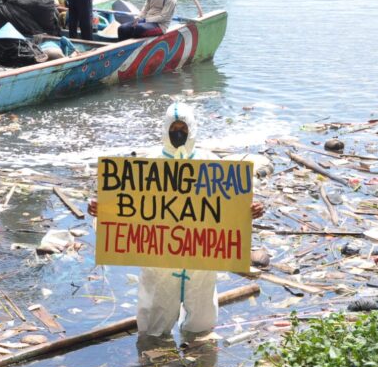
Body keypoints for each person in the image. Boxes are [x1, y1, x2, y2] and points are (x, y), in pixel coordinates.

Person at [89, 102, 265, 337]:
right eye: (174, 127)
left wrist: (249, 211)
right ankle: (152, 355)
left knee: (201, 318)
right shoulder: (147, 164)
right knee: (154, 320)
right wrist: (103, 210)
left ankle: (197, 354)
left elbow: (228, 206)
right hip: (159, 254)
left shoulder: (211, 163)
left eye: (183, 128)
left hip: (200, 252)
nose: (178, 133)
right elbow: (128, 206)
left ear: (192, 129)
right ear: (165, 128)